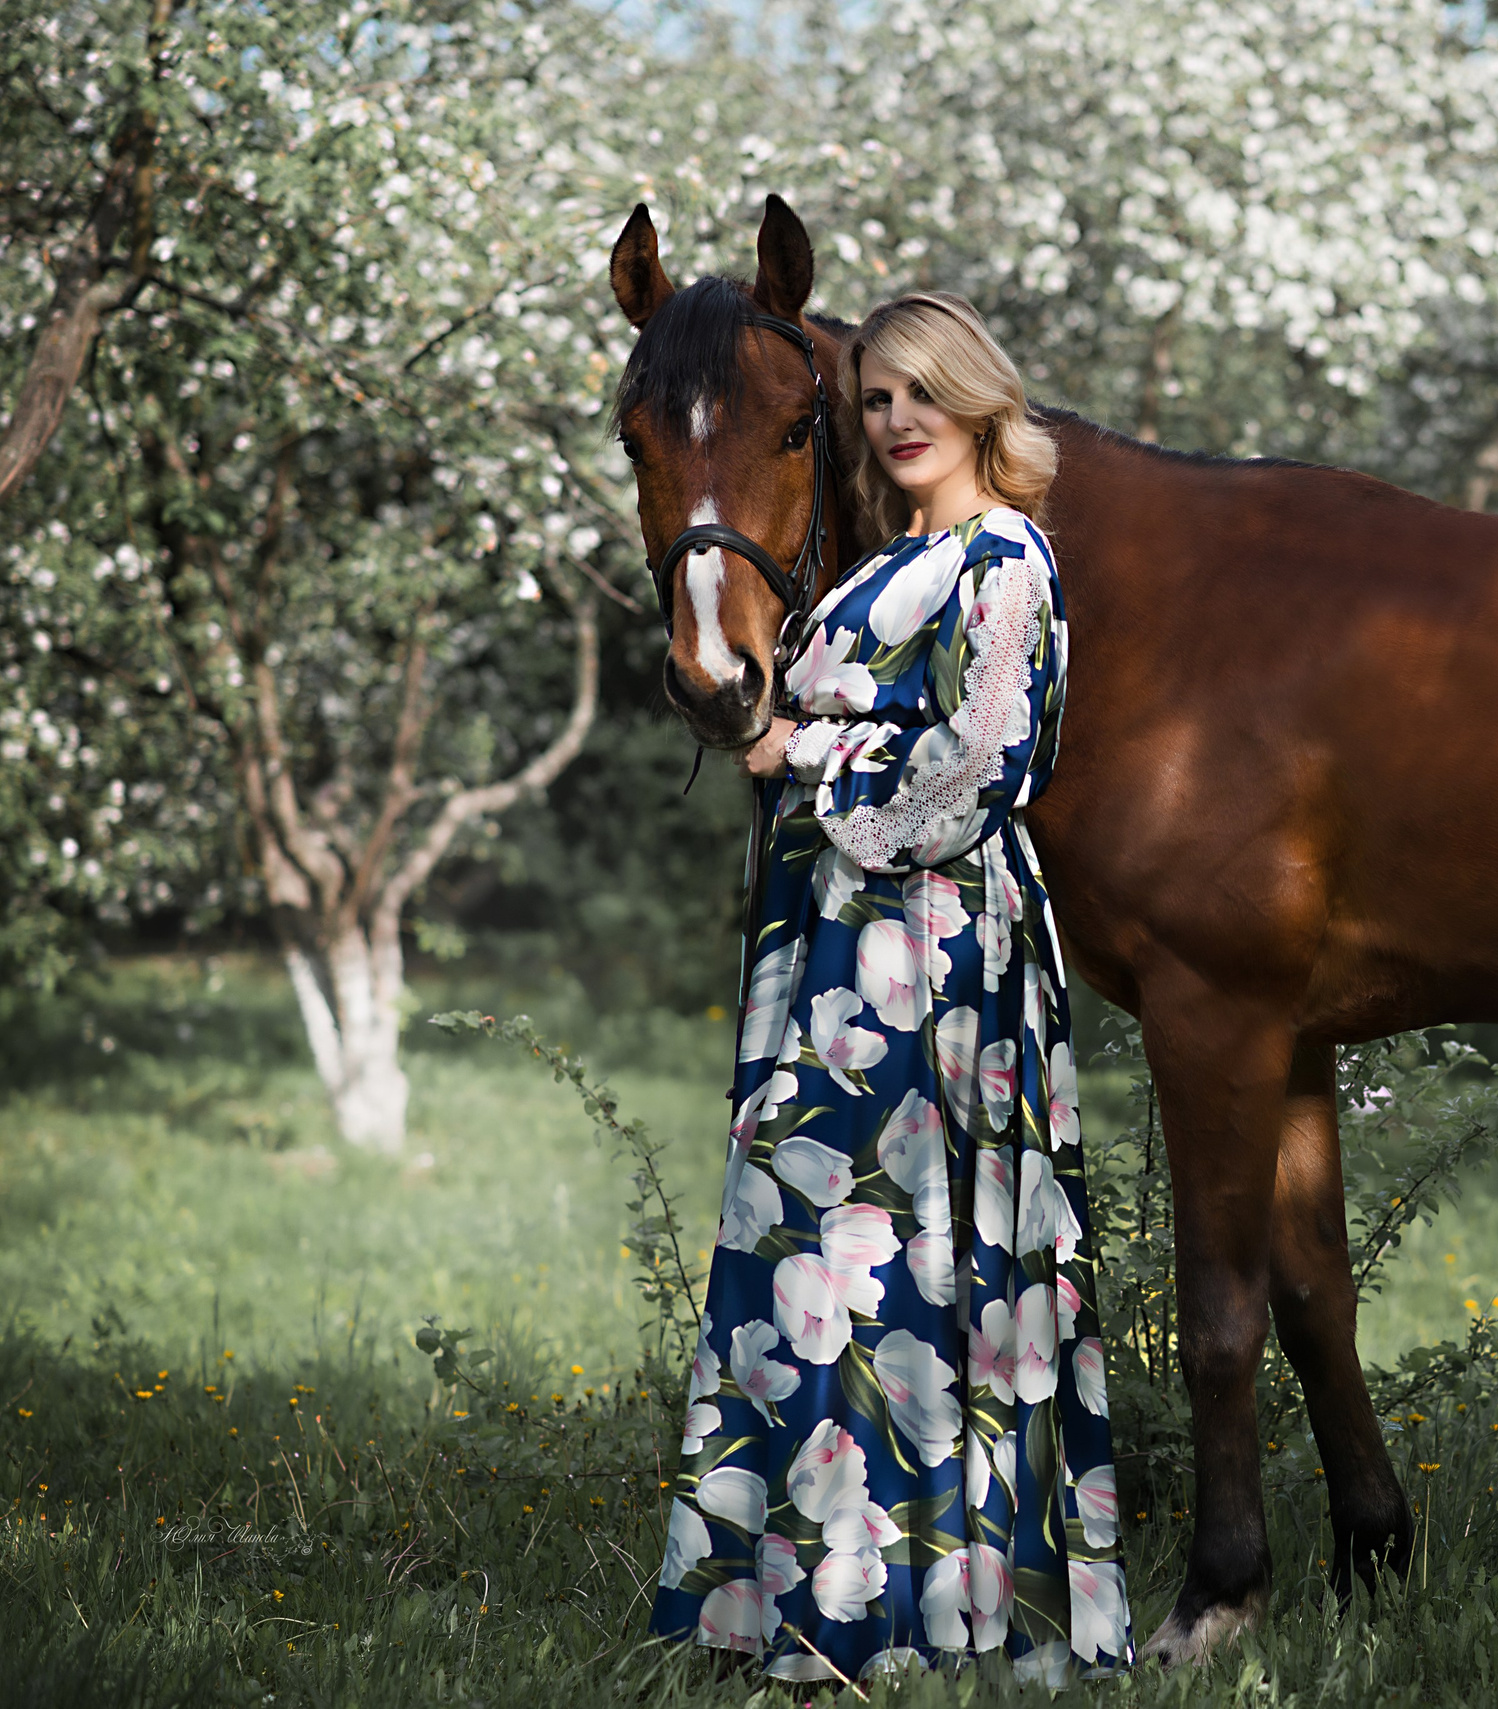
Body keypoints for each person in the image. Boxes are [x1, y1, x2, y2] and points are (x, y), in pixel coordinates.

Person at [648, 293, 1129, 1685]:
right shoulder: (877, 567)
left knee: (919, 1253)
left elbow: (988, 770)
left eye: (925, 393)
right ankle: (809, 1597)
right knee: (817, 1245)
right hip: (833, 943)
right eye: (876, 399)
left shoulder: (1005, 558)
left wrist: (805, 759)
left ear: (980, 404)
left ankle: (946, 1605)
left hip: (933, 953)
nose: (899, 419)